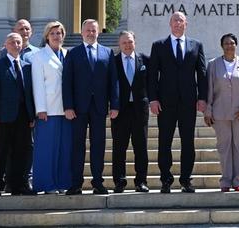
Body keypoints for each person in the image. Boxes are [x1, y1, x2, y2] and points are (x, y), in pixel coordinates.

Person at [147, 11, 208, 193]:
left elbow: (202, 73)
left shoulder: (196, 45)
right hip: (165, 103)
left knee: (188, 142)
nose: (178, 24)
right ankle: (166, 180)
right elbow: (152, 76)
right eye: (175, 20)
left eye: (181, 21)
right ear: (170, 24)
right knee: (164, 142)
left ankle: (186, 180)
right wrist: (153, 99)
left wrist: (203, 97)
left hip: (188, 102)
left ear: (186, 24)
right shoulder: (158, 46)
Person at [62, 19, 119, 195]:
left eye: (93, 30)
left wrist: (114, 104)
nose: (90, 33)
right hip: (78, 108)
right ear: (82, 33)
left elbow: (113, 81)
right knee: (77, 145)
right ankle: (76, 183)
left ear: (98, 32)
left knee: (98, 145)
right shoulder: (73, 53)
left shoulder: (107, 53)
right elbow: (67, 82)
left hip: (100, 107)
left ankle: (98, 182)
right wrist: (68, 106)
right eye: (87, 30)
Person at [0, 32, 36, 196]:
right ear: (6, 45)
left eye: (19, 42)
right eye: (13, 42)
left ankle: (19, 185)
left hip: (23, 116)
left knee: (22, 151)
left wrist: (31, 115)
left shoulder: (27, 66)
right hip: (4, 117)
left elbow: (30, 94)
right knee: (2, 151)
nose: (16, 45)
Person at [204, 33, 239, 192]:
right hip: (220, 113)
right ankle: (225, 181)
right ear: (222, 46)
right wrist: (208, 110)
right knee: (224, 147)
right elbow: (209, 89)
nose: (229, 46)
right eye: (226, 43)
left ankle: (238, 180)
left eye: (232, 43)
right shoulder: (213, 64)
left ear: (236, 45)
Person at [29, 21, 71, 194]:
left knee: (64, 148)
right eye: (52, 33)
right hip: (48, 110)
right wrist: (40, 109)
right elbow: (37, 84)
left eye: (59, 33)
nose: (56, 36)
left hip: (67, 110)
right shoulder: (39, 56)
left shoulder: (68, 54)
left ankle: (62, 183)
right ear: (47, 36)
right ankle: (46, 184)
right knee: (47, 149)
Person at [111, 31, 151, 193]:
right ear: (119, 45)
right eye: (124, 43)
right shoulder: (112, 62)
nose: (127, 45)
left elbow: (152, 83)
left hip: (139, 110)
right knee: (119, 146)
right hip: (120, 110)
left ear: (135, 42)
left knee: (140, 146)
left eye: (130, 42)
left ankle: (141, 181)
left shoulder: (145, 60)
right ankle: (119, 181)